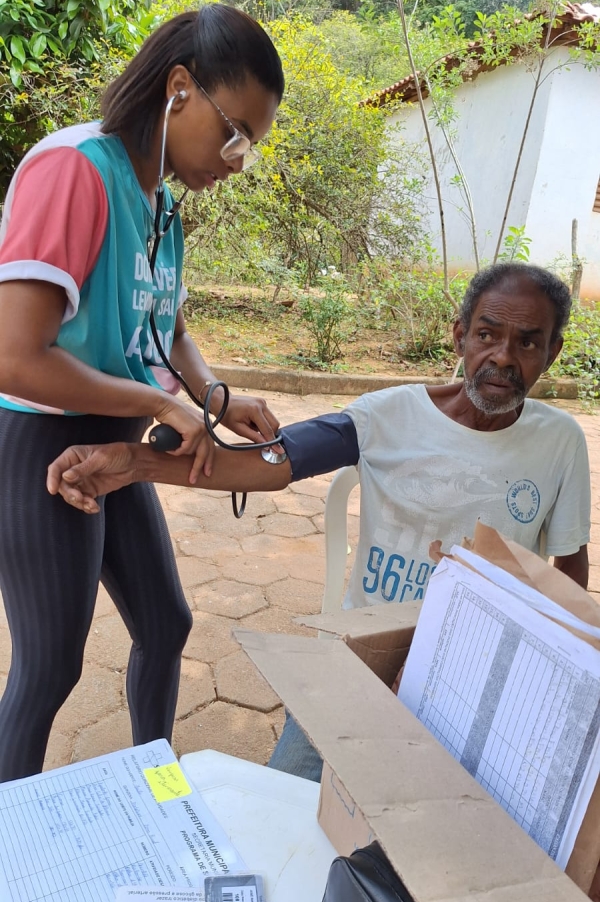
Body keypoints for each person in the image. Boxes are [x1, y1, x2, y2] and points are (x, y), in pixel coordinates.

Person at [47, 263, 592, 779]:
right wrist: (136, 463)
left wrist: (535, 673)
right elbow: (269, 463)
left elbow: (569, 569)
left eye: (527, 342)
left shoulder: (560, 443)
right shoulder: (391, 415)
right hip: (363, 657)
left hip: (476, 675)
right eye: (487, 335)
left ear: (553, 352)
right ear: (459, 336)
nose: (502, 357)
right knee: (285, 794)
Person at [0, 4, 285, 782]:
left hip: (118, 435)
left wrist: (218, 398)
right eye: (235, 132)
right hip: (41, 442)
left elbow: (173, 330)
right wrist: (167, 407)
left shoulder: (159, 203)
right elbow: (15, 358)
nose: (236, 159)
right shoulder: (75, 171)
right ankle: (13, 862)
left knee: (165, 623)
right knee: (50, 666)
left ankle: (157, 792)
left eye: (250, 147)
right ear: (180, 88)